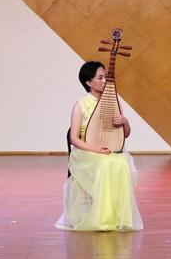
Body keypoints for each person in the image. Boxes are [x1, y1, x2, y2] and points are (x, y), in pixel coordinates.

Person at [55, 61, 143, 231]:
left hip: (109, 150)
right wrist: (95, 150)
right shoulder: (80, 105)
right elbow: (73, 138)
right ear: (89, 82)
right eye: (100, 78)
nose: (105, 81)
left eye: (105, 77)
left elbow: (125, 134)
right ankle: (103, 219)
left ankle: (118, 217)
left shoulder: (114, 102)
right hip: (85, 152)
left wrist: (125, 122)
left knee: (121, 162)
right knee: (105, 163)